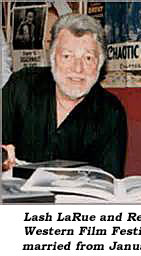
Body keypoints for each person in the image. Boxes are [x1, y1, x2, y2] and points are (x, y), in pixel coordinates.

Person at [2, 14, 127, 178]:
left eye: (88, 58)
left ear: (100, 63)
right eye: (67, 56)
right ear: (53, 58)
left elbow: (108, 183)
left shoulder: (111, 112)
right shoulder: (21, 87)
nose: (77, 68)